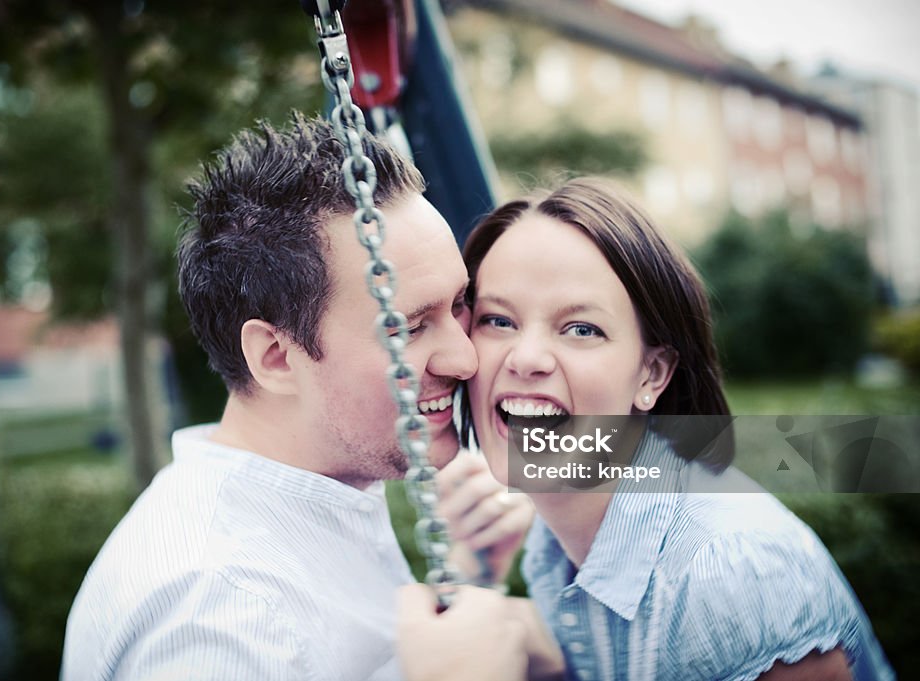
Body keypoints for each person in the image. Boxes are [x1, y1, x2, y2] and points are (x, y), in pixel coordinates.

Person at [61, 113, 533, 680]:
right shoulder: (219, 617)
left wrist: (466, 578)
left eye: (459, 303)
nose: (466, 357)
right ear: (277, 357)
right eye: (407, 327)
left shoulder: (321, 487)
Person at [450, 177, 894, 680]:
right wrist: (477, 576)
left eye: (581, 329)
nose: (526, 358)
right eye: (497, 320)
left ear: (652, 373)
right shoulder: (554, 543)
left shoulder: (731, 572)